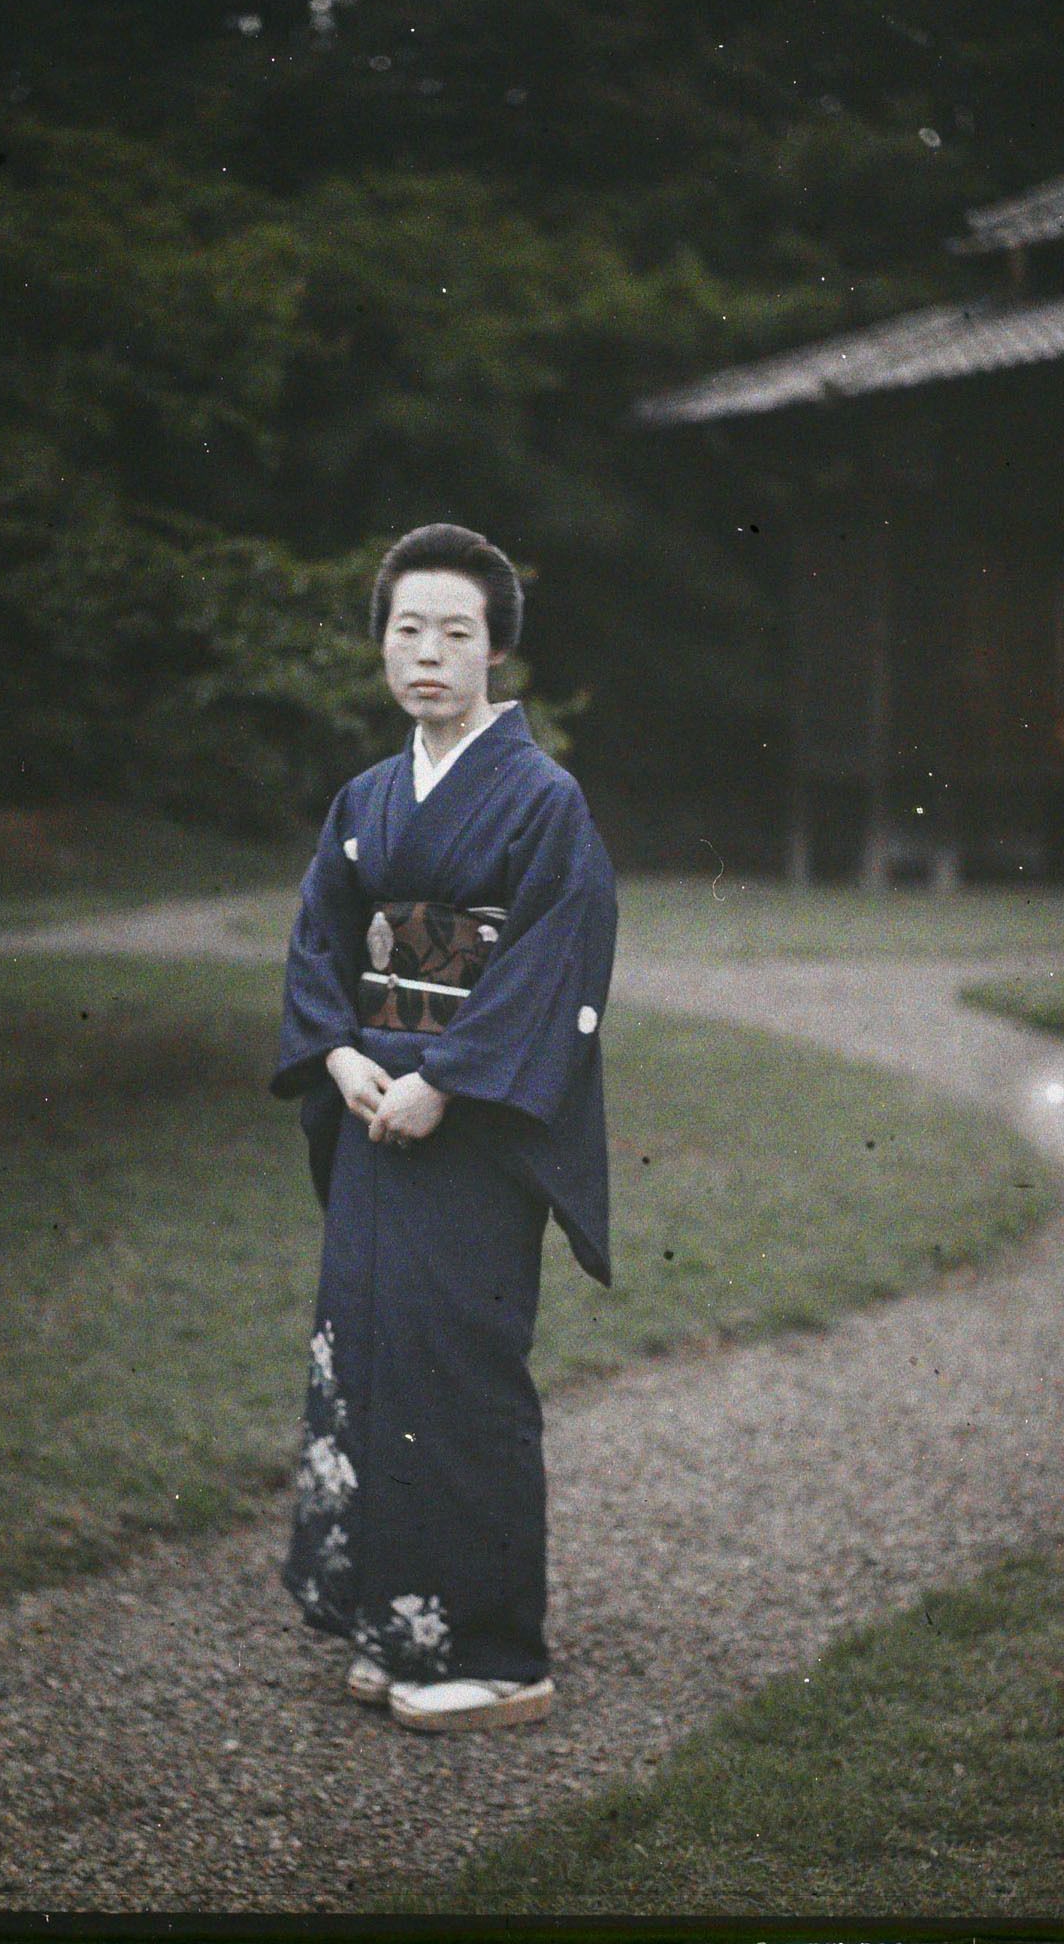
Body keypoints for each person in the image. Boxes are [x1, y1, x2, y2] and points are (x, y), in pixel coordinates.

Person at [270, 522, 618, 1735]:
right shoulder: (366, 798)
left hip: (469, 1120)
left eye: (454, 631)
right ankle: (388, 1621)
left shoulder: (541, 796)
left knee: (459, 1367)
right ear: (381, 644)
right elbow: (321, 941)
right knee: (366, 1347)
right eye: (406, 628)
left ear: (496, 648)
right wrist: (345, 1052)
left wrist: (450, 1080)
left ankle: (494, 1649)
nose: (427, 652)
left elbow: (553, 953)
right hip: (375, 1101)